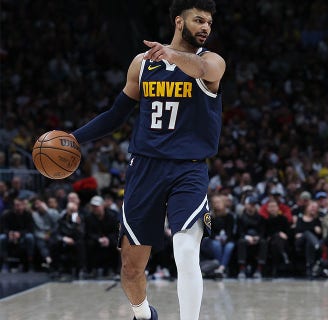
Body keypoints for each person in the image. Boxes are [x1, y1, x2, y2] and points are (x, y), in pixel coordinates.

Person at [70, 0, 225, 318]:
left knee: (185, 249)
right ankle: (143, 314)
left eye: (209, 22)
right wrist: (74, 139)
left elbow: (201, 70)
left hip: (189, 168)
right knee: (130, 267)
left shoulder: (211, 62)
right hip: (144, 166)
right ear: (179, 22)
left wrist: (172, 55)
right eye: (198, 20)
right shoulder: (142, 63)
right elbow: (116, 115)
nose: (206, 27)